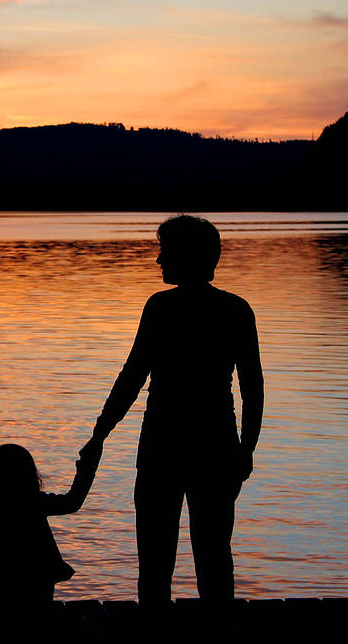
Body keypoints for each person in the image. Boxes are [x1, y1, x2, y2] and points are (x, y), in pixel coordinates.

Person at [90, 214, 263, 608]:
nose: (158, 261)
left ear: (189, 256)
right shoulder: (234, 309)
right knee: (214, 555)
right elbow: (253, 387)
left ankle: (158, 629)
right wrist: (246, 447)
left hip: (165, 446)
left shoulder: (162, 308)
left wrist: (101, 431)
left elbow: (132, 376)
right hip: (214, 444)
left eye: (164, 251)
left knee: (156, 559)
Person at [0, 440, 103, 623]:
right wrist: (86, 468)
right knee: (39, 620)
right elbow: (73, 502)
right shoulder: (34, 501)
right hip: (40, 574)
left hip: (9, 578)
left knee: (9, 623)